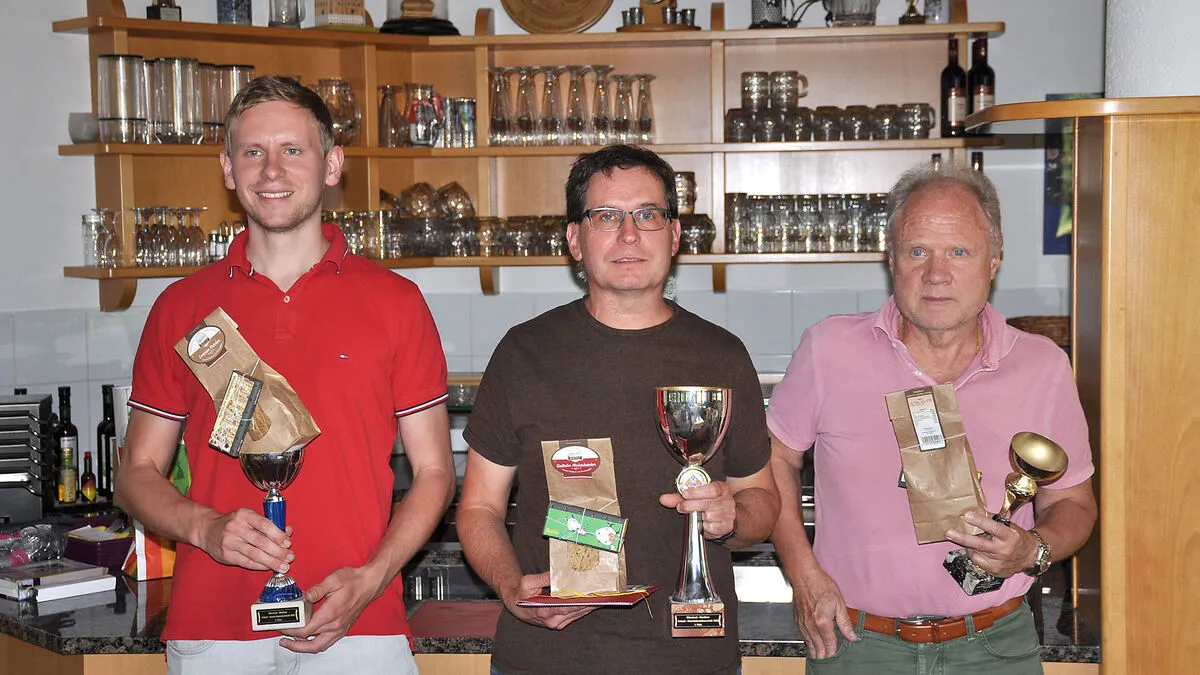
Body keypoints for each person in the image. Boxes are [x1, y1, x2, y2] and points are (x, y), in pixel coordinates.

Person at [115, 76, 455, 674]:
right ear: (228, 169)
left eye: (292, 150)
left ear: (332, 164)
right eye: (253, 152)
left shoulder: (396, 303)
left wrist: (372, 579)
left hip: (358, 624)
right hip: (214, 631)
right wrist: (206, 527)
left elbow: (434, 473)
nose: (271, 170)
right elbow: (135, 474)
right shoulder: (179, 307)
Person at [456, 144, 781, 674]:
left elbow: (762, 500)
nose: (629, 235)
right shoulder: (523, 352)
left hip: (690, 660)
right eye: (606, 216)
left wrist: (733, 518)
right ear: (574, 239)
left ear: (674, 236)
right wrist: (509, 584)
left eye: (648, 215)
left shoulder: (722, 355)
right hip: (548, 660)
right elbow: (478, 508)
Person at [767, 161, 1097, 674]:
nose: (936, 274)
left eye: (959, 252)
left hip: (995, 649)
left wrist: (1031, 549)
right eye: (918, 251)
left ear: (994, 261)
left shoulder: (1043, 366)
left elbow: (1074, 503)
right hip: (855, 645)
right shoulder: (828, 349)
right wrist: (802, 571)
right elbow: (774, 458)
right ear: (891, 259)